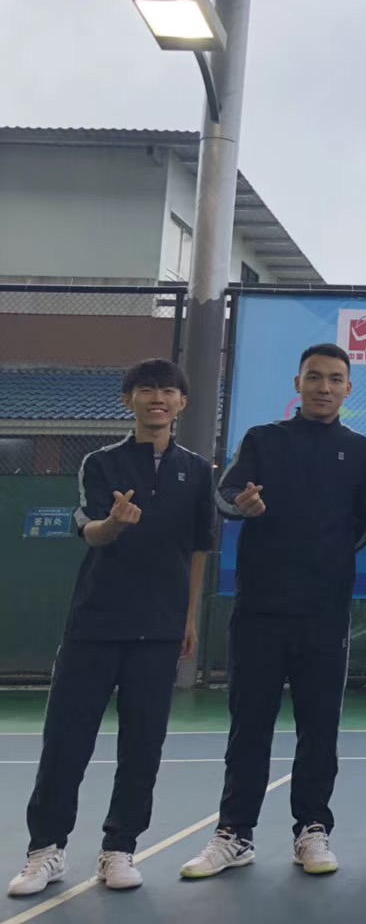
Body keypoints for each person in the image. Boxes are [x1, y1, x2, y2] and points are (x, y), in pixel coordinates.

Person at [8, 360, 213, 898]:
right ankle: (45, 850)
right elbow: (91, 533)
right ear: (129, 400)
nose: (157, 398)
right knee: (65, 743)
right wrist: (114, 524)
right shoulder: (100, 462)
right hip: (95, 624)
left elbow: (197, 549)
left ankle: (119, 849)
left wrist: (188, 616)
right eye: (146, 389)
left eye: (167, 390)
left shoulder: (198, 471)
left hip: (160, 629)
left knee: (143, 746)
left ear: (182, 403)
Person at [180, 344, 366, 880]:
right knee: (249, 726)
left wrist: (329, 557)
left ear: (348, 388)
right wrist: (242, 505)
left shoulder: (361, 451)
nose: (324, 387)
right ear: (298, 384)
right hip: (260, 609)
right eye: (314, 377)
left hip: (325, 613)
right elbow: (225, 494)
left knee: (320, 727)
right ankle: (235, 833)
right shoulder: (262, 440)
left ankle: (312, 830)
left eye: (334, 379)